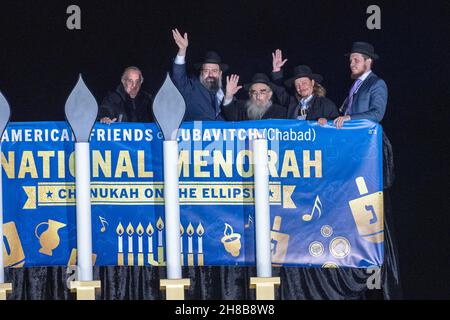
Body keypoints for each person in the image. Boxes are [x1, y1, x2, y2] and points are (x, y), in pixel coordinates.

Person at [171, 28, 227, 121]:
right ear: (201, 73)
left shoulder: (226, 94)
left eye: (214, 71)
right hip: (196, 134)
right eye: (206, 71)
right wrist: (182, 50)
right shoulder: (191, 89)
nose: (210, 74)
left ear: (220, 73)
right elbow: (178, 77)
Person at [271, 49, 339, 124]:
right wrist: (277, 71)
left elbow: (336, 125)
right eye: (297, 84)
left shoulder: (325, 104)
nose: (301, 87)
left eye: (304, 83)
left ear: (312, 83)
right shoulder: (292, 104)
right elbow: (279, 91)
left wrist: (327, 122)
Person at [334, 42, 387, 129]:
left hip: (367, 138)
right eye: (350, 61)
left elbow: (377, 114)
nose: (351, 64)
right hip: (350, 135)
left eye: (356, 60)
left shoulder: (377, 83)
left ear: (368, 61)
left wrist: (349, 118)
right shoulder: (354, 84)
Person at [221, 73, 287, 121]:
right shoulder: (241, 109)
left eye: (262, 92)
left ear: (269, 94)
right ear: (250, 95)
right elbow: (230, 116)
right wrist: (229, 95)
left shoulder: (280, 112)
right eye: (254, 93)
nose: (258, 96)